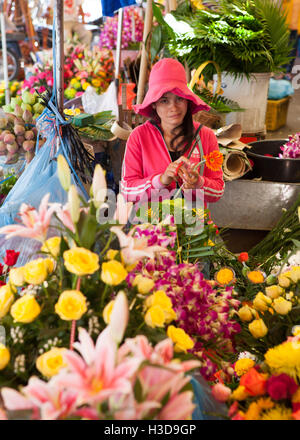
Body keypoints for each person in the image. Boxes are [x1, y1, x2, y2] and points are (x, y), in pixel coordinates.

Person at [120, 58, 224, 208]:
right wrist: (161, 180)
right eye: (164, 101)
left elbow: (218, 191)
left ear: (188, 101)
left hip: (195, 226)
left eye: (179, 99)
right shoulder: (139, 136)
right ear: (154, 104)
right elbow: (127, 190)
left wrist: (199, 183)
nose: (173, 108)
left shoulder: (206, 136)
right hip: (151, 227)